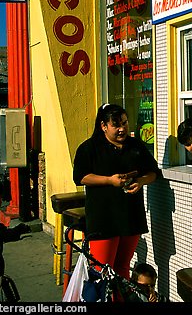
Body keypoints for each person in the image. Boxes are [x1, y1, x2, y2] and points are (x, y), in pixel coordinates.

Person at [73, 103, 162, 285]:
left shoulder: (135, 145)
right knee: (102, 270)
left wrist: (141, 181)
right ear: (104, 126)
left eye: (125, 123)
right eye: (116, 125)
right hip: (103, 216)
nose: (122, 129)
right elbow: (80, 177)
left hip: (131, 214)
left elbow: (153, 172)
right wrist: (109, 180)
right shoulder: (89, 148)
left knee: (123, 266)